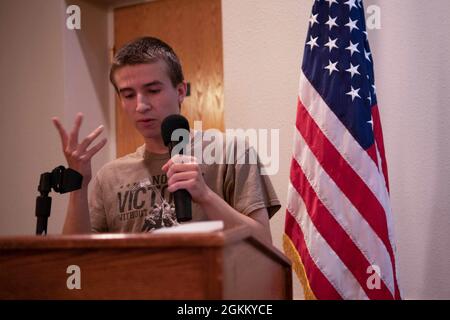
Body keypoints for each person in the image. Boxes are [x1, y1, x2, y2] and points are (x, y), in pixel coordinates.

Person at [52, 36, 280, 243]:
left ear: (180, 91)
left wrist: (206, 196)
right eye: (129, 95)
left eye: (152, 90)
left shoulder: (232, 152)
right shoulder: (109, 176)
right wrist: (79, 185)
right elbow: (76, 258)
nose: (141, 105)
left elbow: (263, 242)